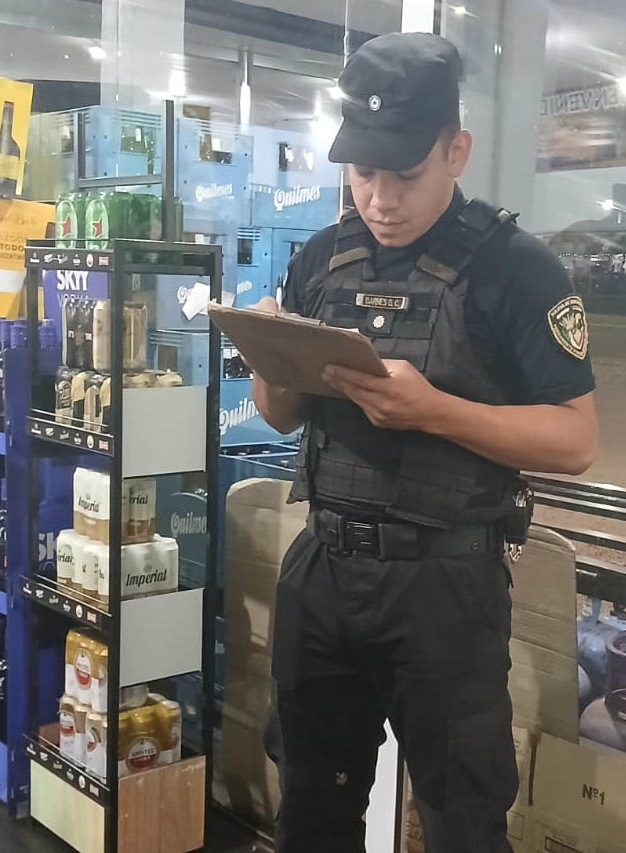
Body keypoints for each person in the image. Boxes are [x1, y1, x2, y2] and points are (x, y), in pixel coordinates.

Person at [251, 32, 598, 853]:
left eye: (404, 175)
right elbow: (281, 417)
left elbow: (576, 439)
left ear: (456, 150)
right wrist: (269, 356)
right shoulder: (322, 258)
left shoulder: (518, 270)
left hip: (445, 587)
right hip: (323, 567)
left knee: (461, 822)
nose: (380, 199)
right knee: (311, 810)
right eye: (363, 173)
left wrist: (434, 410)